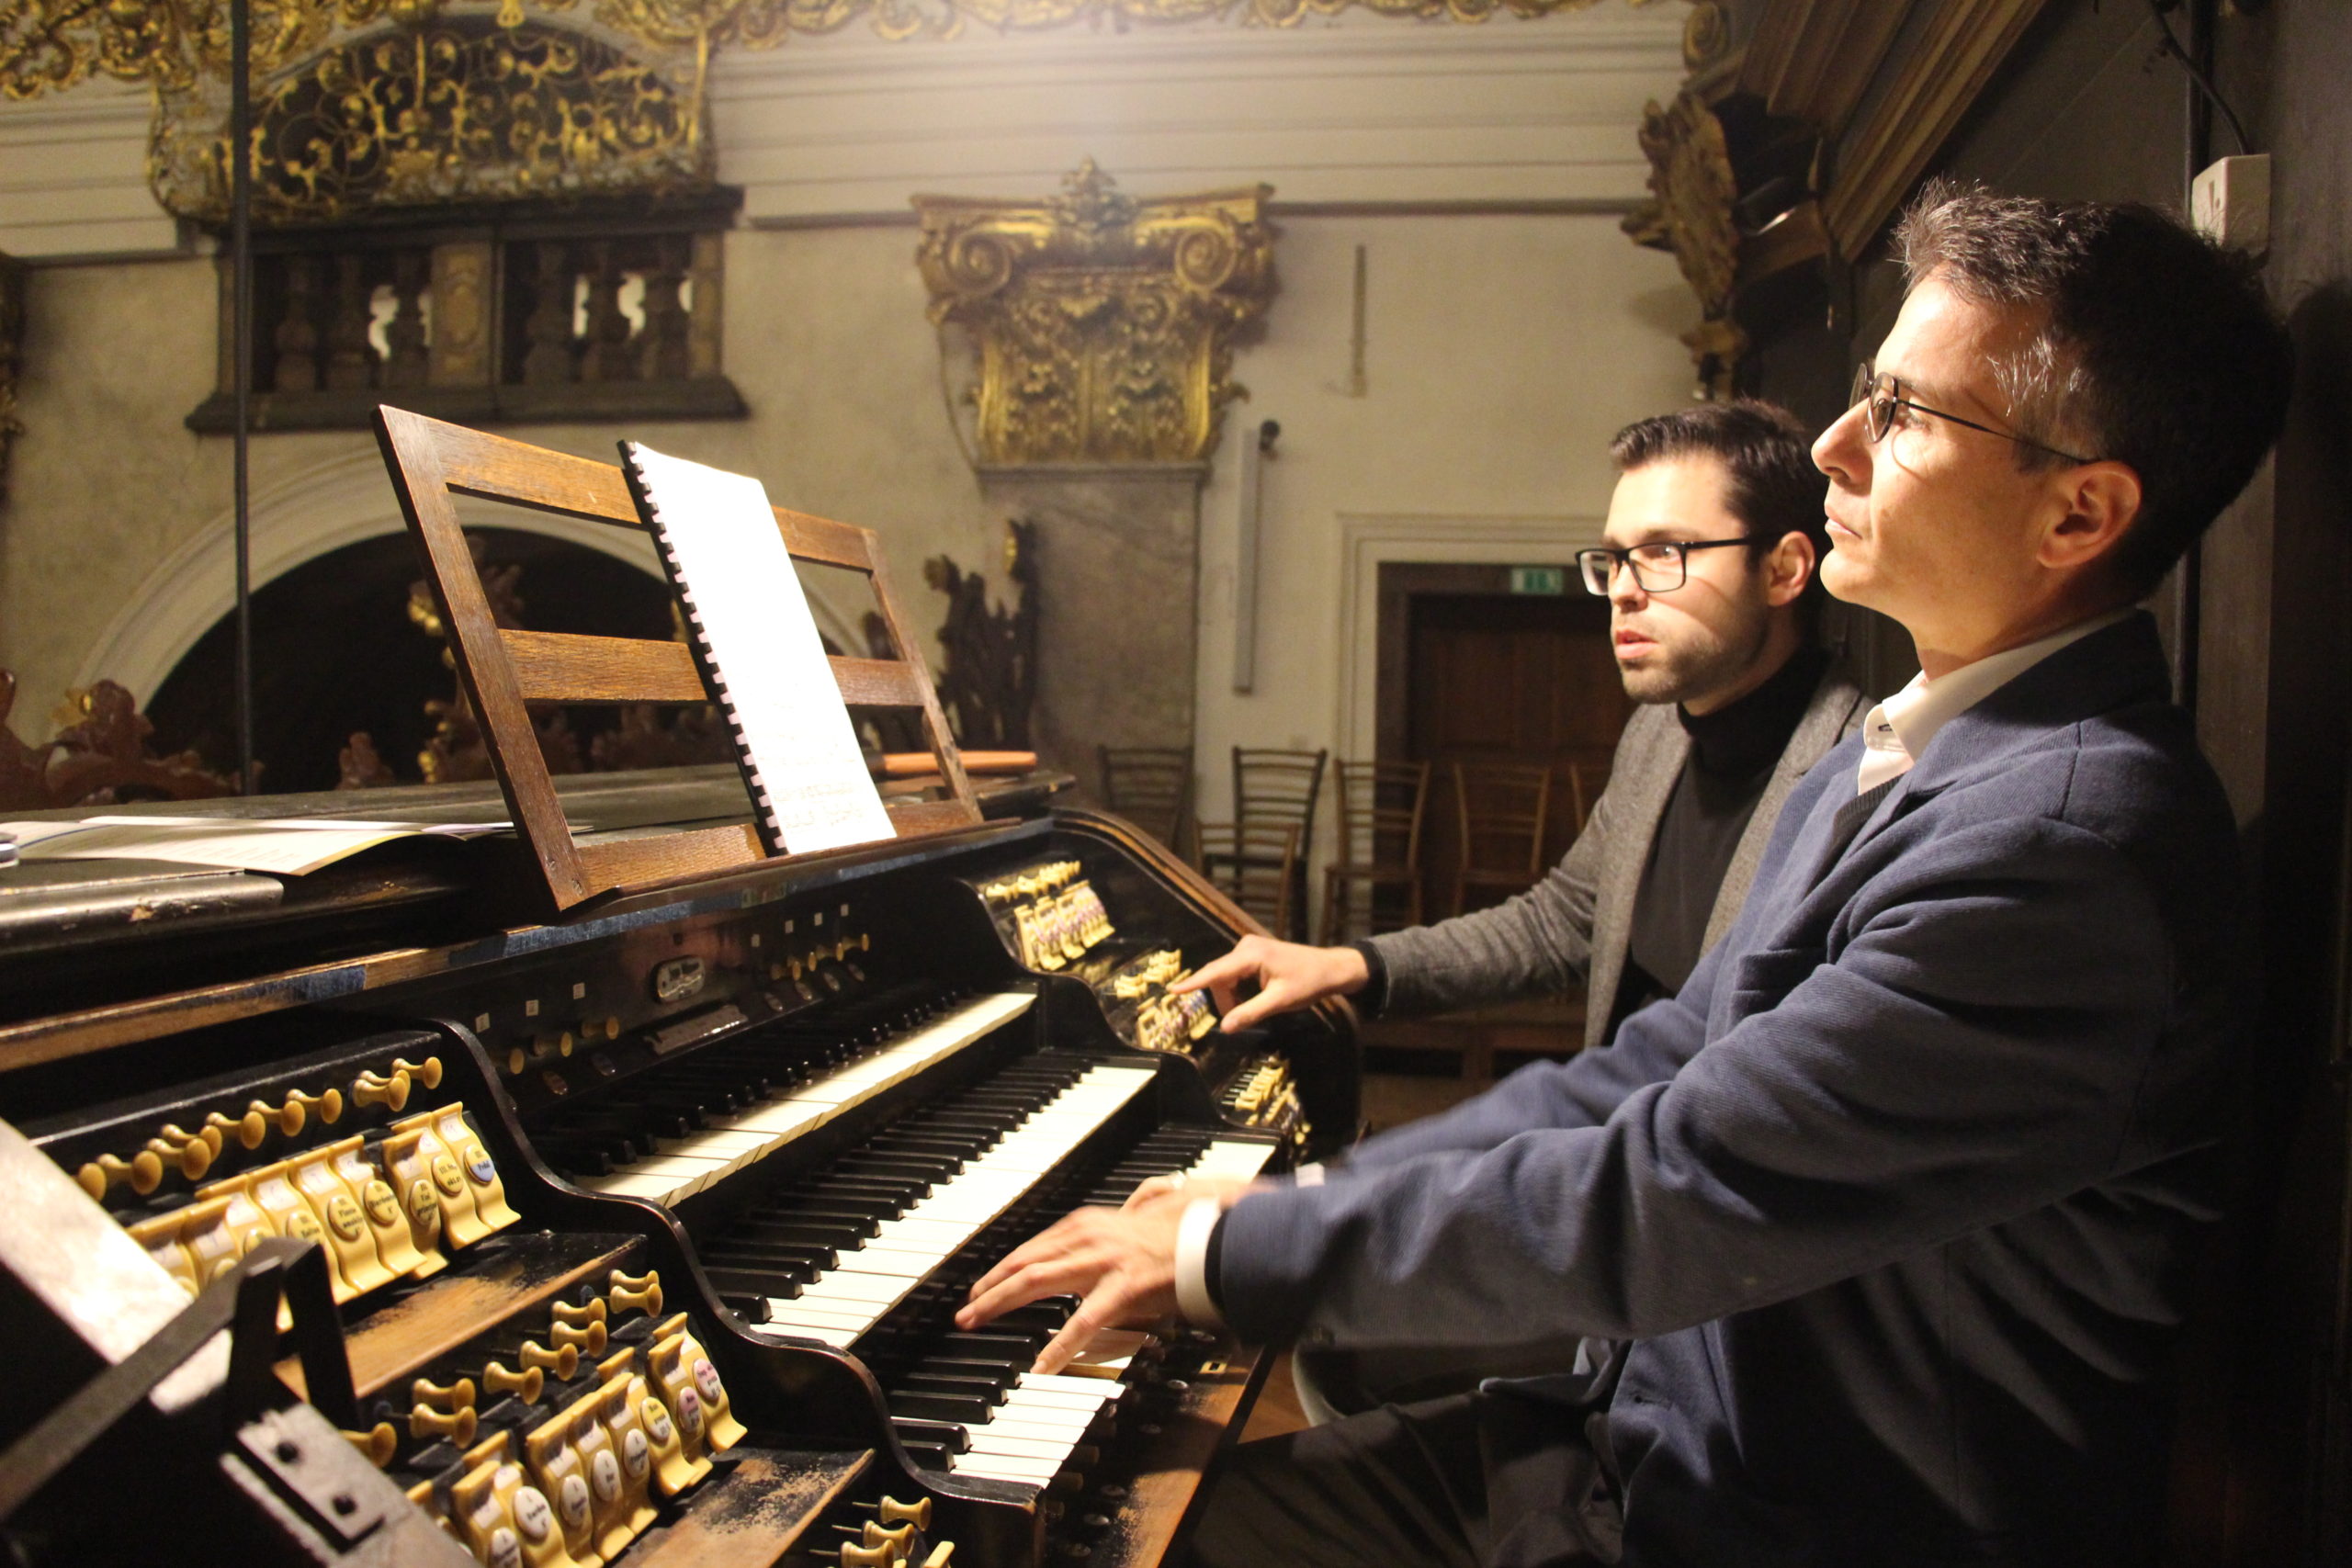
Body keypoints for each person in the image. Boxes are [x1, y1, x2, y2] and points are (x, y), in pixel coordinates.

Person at [956, 181, 2293, 1567]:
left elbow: (1685, 1181)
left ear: (2079, 515)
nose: (1833, 444)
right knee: (1126, 1528)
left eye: (1901, 413)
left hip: (1790, 1519)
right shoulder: (1907, 758)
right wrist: (1279, 1204)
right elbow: (1653, 1060)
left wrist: (1223, 1259)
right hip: (1648, 1432)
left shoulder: (2063, 845)